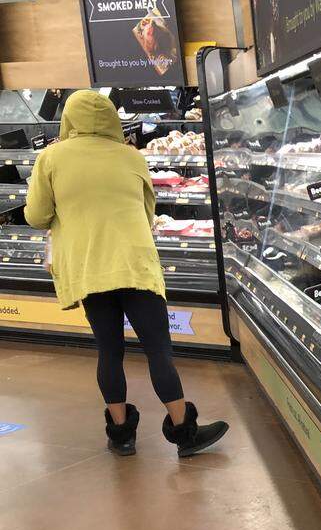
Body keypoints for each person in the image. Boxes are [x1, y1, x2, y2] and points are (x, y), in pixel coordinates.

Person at [25, 90, 227, 458]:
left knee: (109, 351)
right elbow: (148, 213)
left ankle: (121, 434)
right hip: (135, 264)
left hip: (89, 268)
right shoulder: (131, 156)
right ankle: (184, 433)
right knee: (158, 350)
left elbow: (36, 215)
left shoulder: (50, 158)